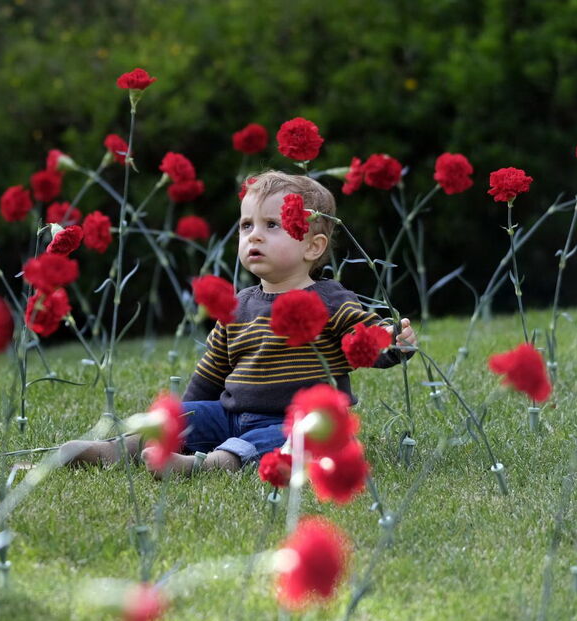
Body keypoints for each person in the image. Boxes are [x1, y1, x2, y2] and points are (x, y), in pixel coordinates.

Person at [61, 170, 415, 477]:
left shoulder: (331, 299)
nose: (254, 236)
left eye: (271, 225)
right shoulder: (239, 305)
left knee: (283, 440)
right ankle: (117, 449)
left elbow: (363, 340)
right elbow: (211, 372)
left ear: (312, 246)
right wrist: (185, 414)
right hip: (232, 415)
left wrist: (392, 340)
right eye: (247, 225)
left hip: (298, 422)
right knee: (184, 416)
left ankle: (210, 463)